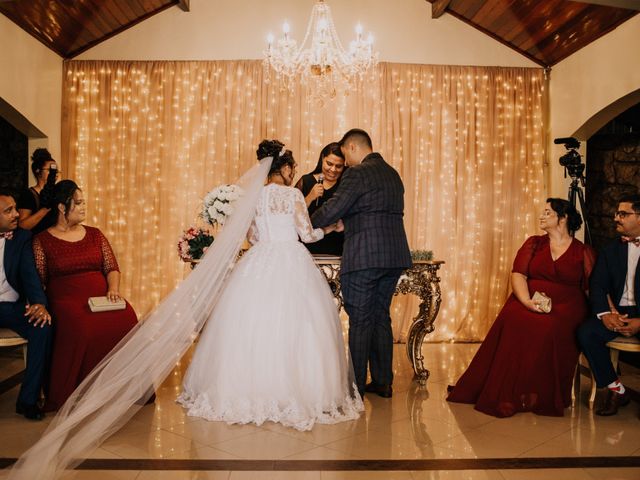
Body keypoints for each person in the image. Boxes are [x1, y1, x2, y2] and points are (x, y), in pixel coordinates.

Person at [178, 140, 362, 430]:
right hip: (291, 259)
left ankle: (247, 390)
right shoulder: (292, 196)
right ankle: (302, 392)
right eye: (294, 168)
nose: (294, 173)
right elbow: (308, 235)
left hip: (259, 261)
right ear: (285, 168)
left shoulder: (254, 197)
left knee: (253, 323)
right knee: (299, 324)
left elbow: (253, 237)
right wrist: (332, 227)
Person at [447, 198, 596, 417]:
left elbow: (591, 287)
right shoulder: (534, 243)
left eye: (548, 212)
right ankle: (509, 390)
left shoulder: (582, 251)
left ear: (562, 218)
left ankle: (539, 393)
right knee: (515, 318)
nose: (541, 216)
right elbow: (518, 274)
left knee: (549, 327)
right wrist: (526, 301)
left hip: (567, 306)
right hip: (529, 297)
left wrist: (603, 312)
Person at [311, 129, 412, 398]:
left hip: (365, 256)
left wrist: (303, 221)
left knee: (360, 319)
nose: (344, 164)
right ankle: (382, 381)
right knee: (381, 316)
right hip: (394, 256)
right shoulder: (392, 174)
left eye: (344, 155)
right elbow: (374, 211)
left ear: (352, 146)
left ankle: (354, 387)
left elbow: (333, 208)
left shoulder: (357, 173)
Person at [32, 180, 138, 411]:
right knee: (82, 326)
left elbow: (112, 267)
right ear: (62, 207)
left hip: (101, 297)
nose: (83, 207)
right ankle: (81, 390)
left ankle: (120, 387)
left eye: (83, 202)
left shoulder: (95, 234)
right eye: (78, 203)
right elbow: (39, 281)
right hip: (66, 301)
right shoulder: (42, 240)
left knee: (128, 317)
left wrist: (113, 289)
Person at [577, 194, 640, 416]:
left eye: (623, 214)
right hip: (616, 311)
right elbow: (597, 285)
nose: (616, 218)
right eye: (616, 213)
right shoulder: (610, 250)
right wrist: (604, 314)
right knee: (586, 333)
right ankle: (617, 389)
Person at [0, 189, 52, 421]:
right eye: (8, 211)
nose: (16, 215)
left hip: (11, 307)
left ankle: (28, 400)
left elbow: (29, 273)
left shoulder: (21, 237)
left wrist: (39, 303)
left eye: (14, 208)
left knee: (43, 326)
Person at [295, 142, 346, 255]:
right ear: (322, 158)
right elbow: (293, 216)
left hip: (337, 249)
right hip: (309, 249)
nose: (333, 169)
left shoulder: (345, 186)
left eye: (339, 166)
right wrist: (310, 197)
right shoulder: (306, 181)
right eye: (329, 163)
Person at [17, 148, 59, 235]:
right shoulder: (28, 194)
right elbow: (22, 226)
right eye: (50, 170)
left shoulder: (58, 192)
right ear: (38, 170)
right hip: (36, 243)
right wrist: (45, 209)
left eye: (55, 171)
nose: (54, 174)